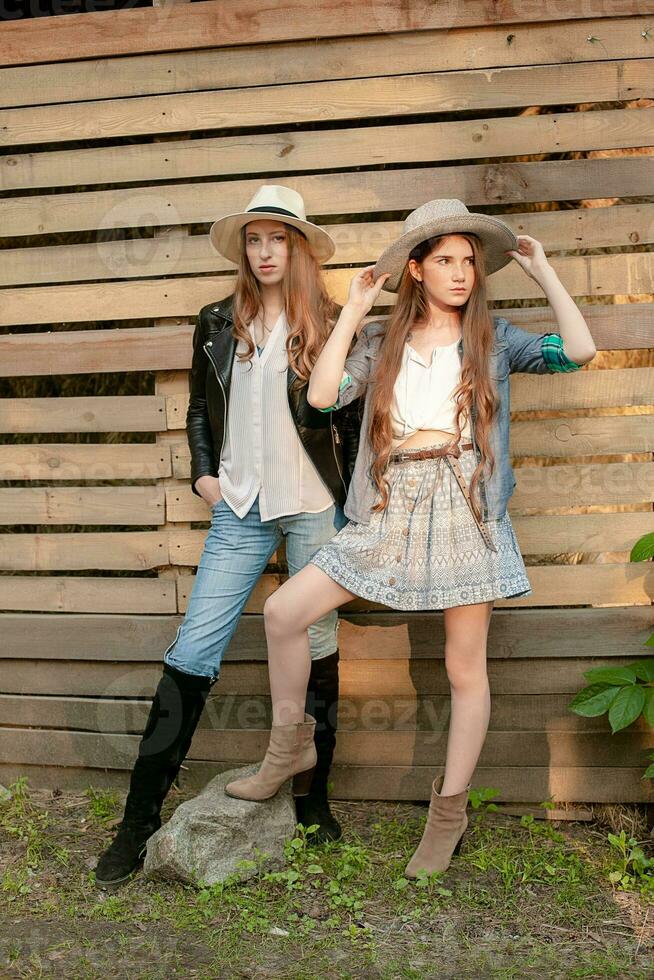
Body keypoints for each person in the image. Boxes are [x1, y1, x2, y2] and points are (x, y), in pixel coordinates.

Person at [223, 198, 597, 877]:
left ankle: (448, 816)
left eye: (470, 263)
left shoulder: (497, 339)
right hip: (392, 506)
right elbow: (322, 396)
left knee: (463, 669)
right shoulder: (379, 341)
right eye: (445, 261)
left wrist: (544, 274)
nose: (461, 273)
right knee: (283, 612)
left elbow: (578, 351)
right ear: (417, 270)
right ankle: (289, 748)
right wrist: (359, 309)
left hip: (465, 508)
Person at [94, 184, 362, 888]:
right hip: (238, 507)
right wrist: (204, 476)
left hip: (312, 506)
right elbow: (198, 410)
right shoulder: (218, 320)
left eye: (278, 238)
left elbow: (354, 425)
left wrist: (357, 508)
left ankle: (313, 804)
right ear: (244, 249)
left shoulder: (333, 322)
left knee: (318, 644)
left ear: (299, 246)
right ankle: (136, 822)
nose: (266, 251)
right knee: (192, 651)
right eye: (255, 239)